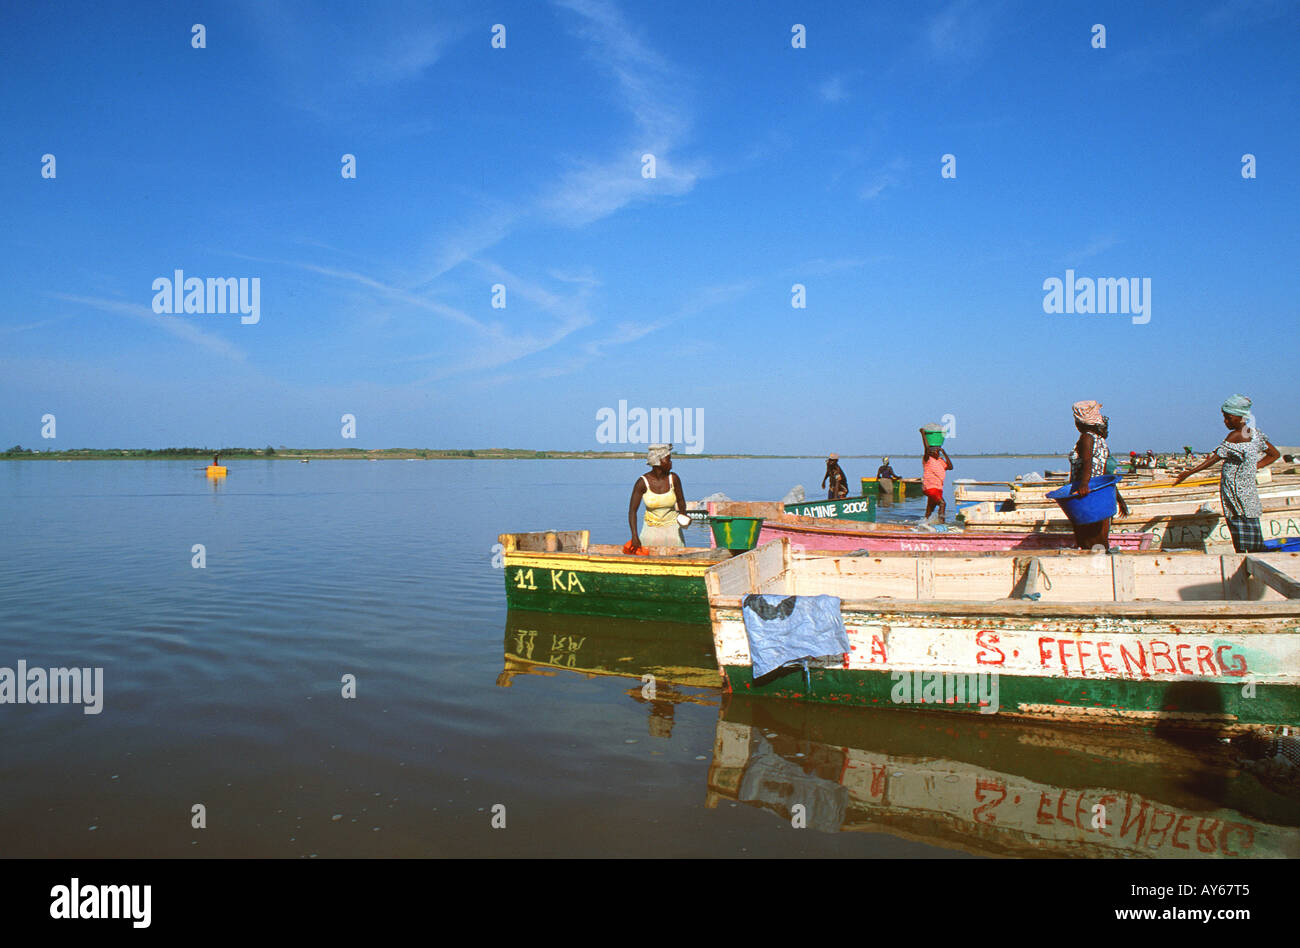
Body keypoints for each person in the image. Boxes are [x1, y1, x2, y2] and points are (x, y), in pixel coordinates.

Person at [1171, 395, 1279, 552]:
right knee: (1252, 529)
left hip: (1235, 495)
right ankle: (1255, 556)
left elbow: (1215, 458)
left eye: (1228, 417)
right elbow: (1274, 454)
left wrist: (1189, 473)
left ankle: (1246, 561)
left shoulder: (1235, 436)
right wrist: (1251, 467)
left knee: (1240, 533)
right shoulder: (1255, 434)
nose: (1225, 421)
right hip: (1249, 495)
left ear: (1240, 417)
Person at [1066, 400, 1117, 550]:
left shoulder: (1086, 438)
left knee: (1088, 540)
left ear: (1079, 422)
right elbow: (1107, 470)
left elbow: (1087, 462)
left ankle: (1097, 569)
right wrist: (1117, 496)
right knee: (1100, 540)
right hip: (1101, 492)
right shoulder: (1100, 440)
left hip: (1087, 495)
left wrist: (1083, 485)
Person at [628, 443, 688, 549]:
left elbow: (681, 501)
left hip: (672, 530)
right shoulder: (642, 482)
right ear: (658, 462)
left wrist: (684, 517)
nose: (671, 463)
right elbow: (632, 511)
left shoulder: (674, 479)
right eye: (668, 460)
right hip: (650, 529)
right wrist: (634, 536)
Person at [920, 430, 953, 521]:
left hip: (938, 488)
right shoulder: (928, 460)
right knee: (942, 503)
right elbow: (926, 448)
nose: (936, 451)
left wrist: (944, 453)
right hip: (930, 487)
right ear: (930, 452)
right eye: (934, 450)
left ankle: (924, 523)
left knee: (929, 510)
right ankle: (942, 524)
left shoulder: (940, 460)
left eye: (937, 450)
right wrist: (923, 434)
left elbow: (950, 467)